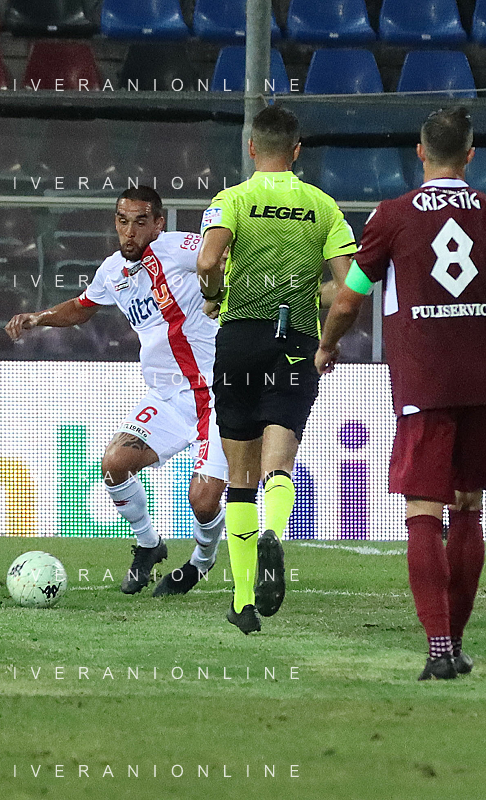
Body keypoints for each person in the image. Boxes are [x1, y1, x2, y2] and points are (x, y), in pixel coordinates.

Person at [317, 107, 486, 680]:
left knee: (423, 510)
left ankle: (438, 649)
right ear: (470, 155)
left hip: (424, 384)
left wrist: (327, 345)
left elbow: (349, 297)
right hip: (481, 382)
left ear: (420, 152)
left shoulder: (391, 216)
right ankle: (455, 644)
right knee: (469, 507)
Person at [7, 187, 227, 596]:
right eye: (123, 221)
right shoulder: (113, 271)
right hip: (167, 397)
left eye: (141, 222)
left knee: (202, 500)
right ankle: (149, 545)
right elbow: (82, 307)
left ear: (158, 224)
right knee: (114, 463)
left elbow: (220, 256)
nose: (130, 231)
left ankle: (201, 560)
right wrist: (38, 317)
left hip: (218, 394)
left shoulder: (178, 247)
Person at [197, 106, 357, 634]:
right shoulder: (323, 205)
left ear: (251, 147)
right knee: (279, 459)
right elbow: (350, 286)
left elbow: (207, 262)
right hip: (296, 340)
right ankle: (275, 534)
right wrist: (319, 315)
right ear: (297, 150)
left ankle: (244, 602)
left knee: (239, 476)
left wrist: (214, 292)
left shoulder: (232, 199)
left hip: (240, 338)